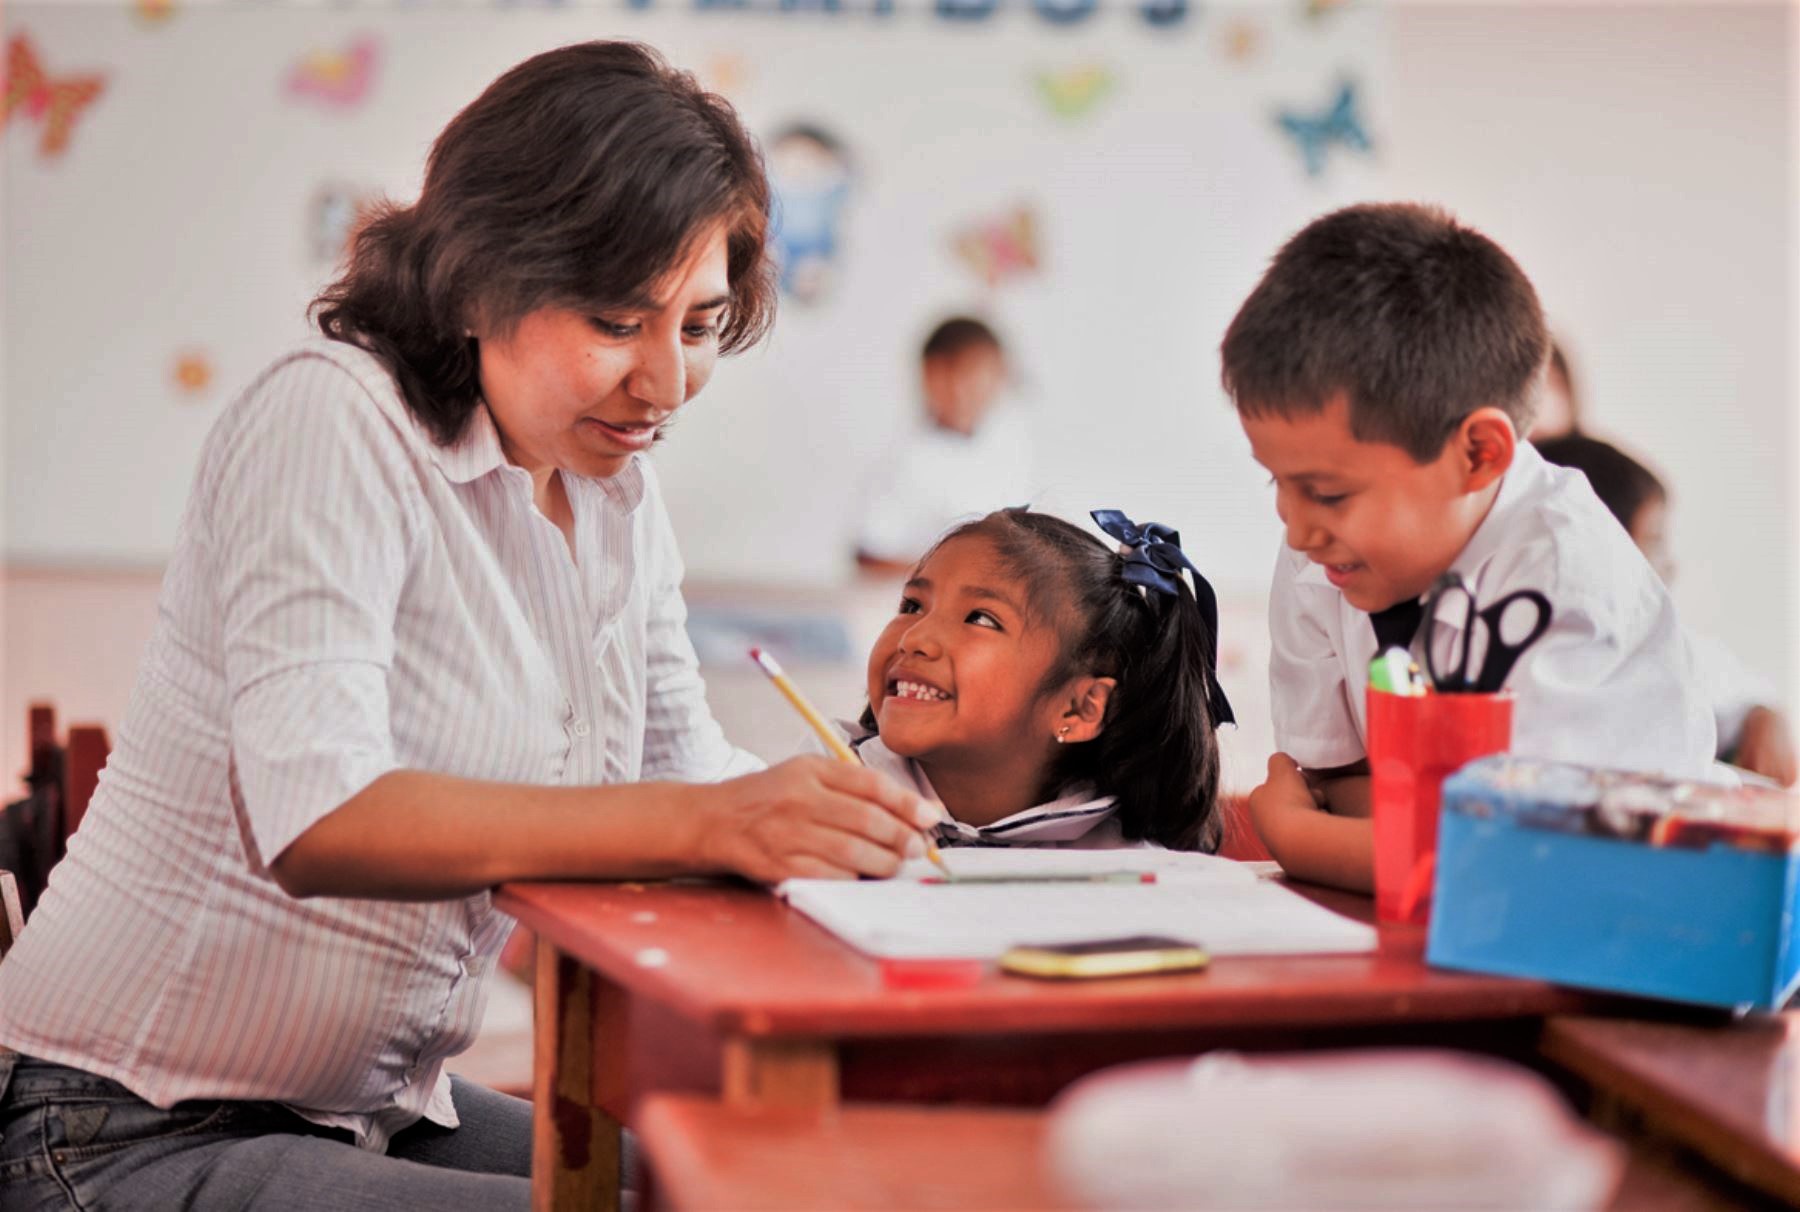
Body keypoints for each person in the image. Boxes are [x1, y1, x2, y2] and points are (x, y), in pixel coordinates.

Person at [0, 42, 937, 1211]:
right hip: (121, 1129)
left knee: (751, 1187)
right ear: (477, 279)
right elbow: (322, 815)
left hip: (375, 1110)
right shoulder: (333, 419)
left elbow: (685, 773)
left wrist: (864, 823)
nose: (665, 382)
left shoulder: (611, 495)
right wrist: (718, 816)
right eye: (615, 320)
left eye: (697, 328)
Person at [1221, 203, 1715, 893]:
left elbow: (1517, 863)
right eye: (1278, 480)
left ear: (1479, 454)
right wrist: (1402, 839)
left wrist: (1299, 839)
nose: (1296, 527)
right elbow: (1343, 784)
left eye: (1328, 493)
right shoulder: (1321, 555)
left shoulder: (1566, 573)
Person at [836, 507, 1235, 851]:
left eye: (980, 618)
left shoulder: (1127, 865)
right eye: (912, 605)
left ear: (1078, 708)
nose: (914, 638)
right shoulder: (826, 787)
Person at [1536, 433, 1797, 786]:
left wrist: (1762, 714)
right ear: (1607, 545)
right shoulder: (1551, 646)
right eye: (1655, 541)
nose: (1669, 565)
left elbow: (1729, 682)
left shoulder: (1661, 643)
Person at [854, 316, 1034, 574]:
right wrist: (953, 575)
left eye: (991, 376)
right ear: (933, 375)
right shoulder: (906, 459)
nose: (978, 390)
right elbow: (871, 555)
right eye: (969, 375)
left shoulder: (1010, 448)